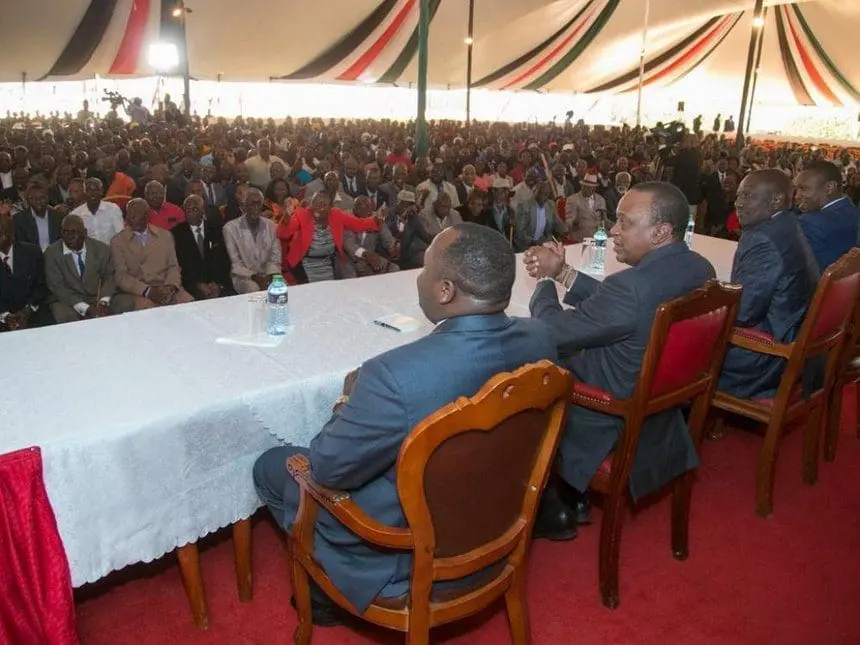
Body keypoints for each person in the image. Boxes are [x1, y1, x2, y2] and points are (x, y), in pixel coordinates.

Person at [253, 222, 558, 623]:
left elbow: (328, 469)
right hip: (497, 525)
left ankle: (332, 582)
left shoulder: (393, 376)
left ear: (445, 290)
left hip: (404, 554)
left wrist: (346, 399)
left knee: (271, 464)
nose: (419, 277)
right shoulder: (542, 338)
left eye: (425, 268)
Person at [524, 182, 716, 535]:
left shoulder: (631, 288)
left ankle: (550, 503)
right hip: (661, 408)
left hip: (603, 415)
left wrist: (543, 285)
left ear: (660, 232)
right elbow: (619, 307)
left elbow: (552, 331)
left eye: (624, 223)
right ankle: (571, 495)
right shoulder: (699, 269)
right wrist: (562, 273)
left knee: (520, 366)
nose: (612, 230)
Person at [718, 170, 819, 399]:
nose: (738, 204)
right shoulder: (789, 223)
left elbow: (743, 313)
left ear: (776, 200)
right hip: (795, 342)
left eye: (748, 196)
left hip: (764, 360)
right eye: (738, 196)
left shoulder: (761, 237)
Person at [44, 214, 133, 322]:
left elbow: (110, 277)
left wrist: (103, 302)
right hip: (70, 300)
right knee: (62, 313)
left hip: (98, 296)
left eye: (74, 232)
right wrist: (86, 308)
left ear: (85, 233)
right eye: (65, 232)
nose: (68, 236)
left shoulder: (101, 249)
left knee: (125, 302)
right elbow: (58, 288)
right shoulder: (51, 253)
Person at [279, 191, 382, 283]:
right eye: (315, 204)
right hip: (304, 263)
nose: (318, 208)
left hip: (327, 263)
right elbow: (283, 233)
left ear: (330, 207)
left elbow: (358, 224)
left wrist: (378, 221)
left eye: (323, 205)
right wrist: (286, 218)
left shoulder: (336, 214)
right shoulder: (302, 215)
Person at [110, 198, 193, 309]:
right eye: (129, 214)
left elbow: (173, 266)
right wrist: (148, 291)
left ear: (146, 216)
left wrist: (170, 287)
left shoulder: (165, 236)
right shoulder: (117, 241)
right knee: (149, 311)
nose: (129, 218)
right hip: (139, 291)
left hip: (166, 286)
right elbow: (121, 276)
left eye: (135, 214)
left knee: (189, 303)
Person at [793, 160, 859, 272]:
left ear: (829, 187)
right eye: (796, 190)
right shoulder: (853, 210)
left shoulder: (810, 222)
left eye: (803, 189)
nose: (797, 196)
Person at [172, 195, 234, 300]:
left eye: (195, 209)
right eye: (187, 210)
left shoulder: (216, 229)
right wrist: (198, 284)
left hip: (217, 283)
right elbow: (181, 264)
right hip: (191, 284)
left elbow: (223, 260)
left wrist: (216, 283)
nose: (190, 213)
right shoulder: (177, 233)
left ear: (203, 211)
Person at [222, 187, 281, 293]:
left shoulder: (271, 226)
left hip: (268, 273)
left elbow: (275, 257)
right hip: (243, 276)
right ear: (244, 206)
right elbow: (235, 263)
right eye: (251, 204)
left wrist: (270, 276)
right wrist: (256, 277)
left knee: (282, 287)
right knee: (254, 289)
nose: (256, 208)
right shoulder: (230, 228)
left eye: (258, 204)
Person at [0, 212, 51, 330]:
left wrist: (28, 310)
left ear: (11, 235)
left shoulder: (32, 252)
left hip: (33, 309)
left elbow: (41, 286)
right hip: (3, 315)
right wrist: (6, 316)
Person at [343, 195, 399, 276]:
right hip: (350, 260)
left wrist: (392, 246)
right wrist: (366, 255)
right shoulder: (347, 217)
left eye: (366, 207)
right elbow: (349, 245)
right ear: (354, 208)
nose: (363, 210)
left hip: (371, 259)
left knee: (394, 269)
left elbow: (386, 235)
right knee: (351, 278)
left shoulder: (375, 218)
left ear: (371, 209)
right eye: (359, 207)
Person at [514, 181, 566, 252]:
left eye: (547, 194)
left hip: (545, 243)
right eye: (541, 193)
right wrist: (533, 242)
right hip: (527, 245)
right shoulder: (524, 206)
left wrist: (565, 232)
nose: (544, 196)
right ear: (534, 192)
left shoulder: (550, 204)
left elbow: (557, 222)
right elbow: (520, 232)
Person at [70, 178, 125, 245]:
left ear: (102, 191)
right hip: (88, 253)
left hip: (111, 251)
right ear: (84, 192)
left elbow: (121, 235)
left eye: (96, 190)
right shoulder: (75, 215)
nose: (92, 193)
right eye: (89, 190)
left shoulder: (113, 209)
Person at [13, 182, 62, 251]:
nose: (38, 201)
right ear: (28, 201)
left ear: (48, 198)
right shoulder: (19, 219)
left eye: (42, 197)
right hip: (30, 258)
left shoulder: (59, 217)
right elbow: (20, 246)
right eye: (33, 198)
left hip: (55, 257)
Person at [564, 173, 607, 242]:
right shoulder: (572, 200)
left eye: (590, 187)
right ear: (581, 186)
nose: (586, 189)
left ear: (594, 189)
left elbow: (604, 220)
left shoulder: (601, 199)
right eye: (585, 187)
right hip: (582, 236)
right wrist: (574, 223)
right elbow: (569, 221)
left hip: (600, 235)